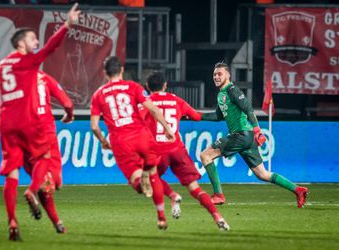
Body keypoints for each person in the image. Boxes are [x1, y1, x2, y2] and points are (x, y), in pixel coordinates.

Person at [0, 3, 80, 241]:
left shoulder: (2, 66)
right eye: (32, 38)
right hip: (30, 123)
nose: (36, 42)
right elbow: (51, 48)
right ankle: (32, 191)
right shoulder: (29, 63)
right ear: (21, 43)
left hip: (6, 123)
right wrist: (67, 24)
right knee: (44, 160)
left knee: (11, 174)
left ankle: (12, 221)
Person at [200, 62, 308, 208]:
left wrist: (257, 130)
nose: (216, 77)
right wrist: (195, 115)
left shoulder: (232, 89)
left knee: (205, 155)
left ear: (228, 75)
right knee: (262, 174)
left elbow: (248, 108)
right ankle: (298, 190)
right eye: (214, 74)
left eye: (220, 74)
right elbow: (217, 116)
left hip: (241, 135)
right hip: (246, 138)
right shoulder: (222, 94)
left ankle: (218, 195)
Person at [90, 56, 175, 230]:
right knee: (153, 174)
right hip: (142, 136)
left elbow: (94, 127)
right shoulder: (133, 87)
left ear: (105, 73)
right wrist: (166, 127)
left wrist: (103, 141)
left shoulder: (98, 94)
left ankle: (139, 183)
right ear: (121, 70)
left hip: (121, 141)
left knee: (137, 181)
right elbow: (153, 108)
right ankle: (161, 217)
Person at [142, 71, 230, 231]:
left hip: (158, 151)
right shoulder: (176, 100)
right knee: (194, 188)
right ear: (165, 85)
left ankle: (173, 197)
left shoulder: (146, 102)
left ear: (148, 87)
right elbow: (196, 116)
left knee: (149, 177)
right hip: (177, 149)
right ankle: (218, 217)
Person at [23, 71, 74, 234]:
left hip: (23, 132)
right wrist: (69, 115)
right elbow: (68, 103)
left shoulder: (16, 79)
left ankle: (57, 223)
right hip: (45, 131)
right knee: (55, 181)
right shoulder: (44, 78)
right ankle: (32, 190)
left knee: (43, 181)